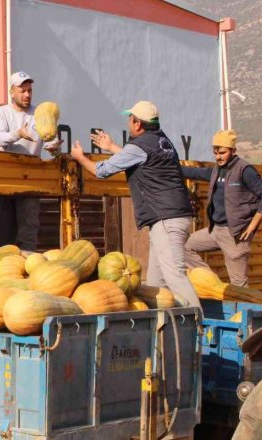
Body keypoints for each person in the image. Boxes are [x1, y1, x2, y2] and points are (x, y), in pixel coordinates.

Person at [68, 101, 201, 308]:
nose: (129, 122)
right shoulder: (163, 142)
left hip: (166, 219)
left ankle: (198, 329)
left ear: (138, 124)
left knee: (175, 275)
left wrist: (80, 158)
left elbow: (100, 171)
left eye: (130, 119)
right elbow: (141, 160)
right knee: (156, 284)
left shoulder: (139, 146)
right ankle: (160, 329)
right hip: (175, 217)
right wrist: (111, 147)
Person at [181, 130, 262, 287]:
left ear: (233, 150)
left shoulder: (245, 170)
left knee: (239, 286)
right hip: (214, 231)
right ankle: (212, 284)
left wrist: (252, 226)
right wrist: (165, 167)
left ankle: (241, 309)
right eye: (215, 153)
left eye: (222, 153)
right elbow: (194, 172)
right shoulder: (216, 170)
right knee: (184, 247)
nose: (218, 157)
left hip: (235, 235)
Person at [0, 71, 61, 251]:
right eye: (22, 91)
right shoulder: (2, 112)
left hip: (31, 177)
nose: (27, 95)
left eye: (29, 91)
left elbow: (50, 141)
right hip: (6, 178)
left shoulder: (39, 114)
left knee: (29, 228)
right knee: (4, 229)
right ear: (11, 92)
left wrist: (54, 147)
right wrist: (17, 134)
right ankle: (6, 268)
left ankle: (27, 267)